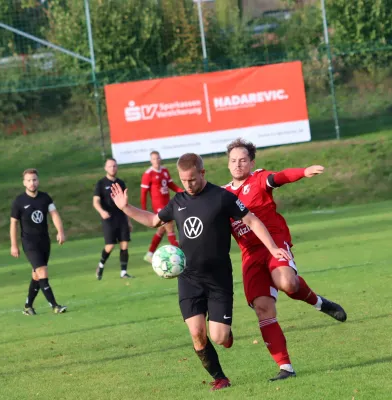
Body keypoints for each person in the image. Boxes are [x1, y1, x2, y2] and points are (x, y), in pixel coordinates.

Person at [110, 153, 291, 391]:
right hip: (189, 278)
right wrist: (125, 207)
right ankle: (220, 378)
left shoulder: (222, 197)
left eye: (193, 179)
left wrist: (273, 248)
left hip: (218, 280)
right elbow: (154, 220)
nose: (188, 184)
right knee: (197, 333)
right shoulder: (177, 201)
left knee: (218, 337)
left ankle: (226, 335)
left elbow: (252, 221)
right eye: (184, 180)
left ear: (202, 173)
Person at [224, 138, 347, 381]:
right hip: (250, 255)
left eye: (243, 160)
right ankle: (286, 368)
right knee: (262, 308)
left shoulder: (258, 179)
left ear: (252, 162)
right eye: (233, 161)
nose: (238, 164)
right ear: (228, 164)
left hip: (274, 243)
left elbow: (280, 177)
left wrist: (303, 172)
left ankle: (320, 303)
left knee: (288, 283)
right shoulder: (222, 195)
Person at [10, 168, 67, 315]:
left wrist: (60, 231)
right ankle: (54, 305)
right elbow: (13, 224)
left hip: (44, 241)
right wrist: (14, 245)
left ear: (38, 180)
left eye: (34, 180)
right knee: (42, 272)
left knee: (36, 275)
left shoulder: (45, 198)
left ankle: (28, 306)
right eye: (29, 180)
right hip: (29, 243)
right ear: (24, 183)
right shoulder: (19, 201)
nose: (32, 183)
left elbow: (54, 214)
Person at [93, 158, 133, 280]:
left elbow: (125, 203)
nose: (113, 168)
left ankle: (123, 272)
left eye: (115, 166)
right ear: (105, 168)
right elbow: (95, 202)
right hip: (108, 219)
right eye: (110, 166)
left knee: (124, 244)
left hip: (121, 217)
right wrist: (102, 211)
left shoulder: (120, 183)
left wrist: (129, 220)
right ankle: (100, 265)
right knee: (110, 245)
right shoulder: (101, 184)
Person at [140, 151, 183, 263]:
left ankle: (149, 254)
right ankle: (178, 254)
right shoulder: (148, 174)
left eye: (158, 158)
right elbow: (143, 193)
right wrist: (143, 210)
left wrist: (181, 192)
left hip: (167, 203)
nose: (156, 160)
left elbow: (171, 185)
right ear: (151, 160)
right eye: (154, 159)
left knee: (161, 230)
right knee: (169, 226)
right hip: (158, 206)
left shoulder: (164, 170)